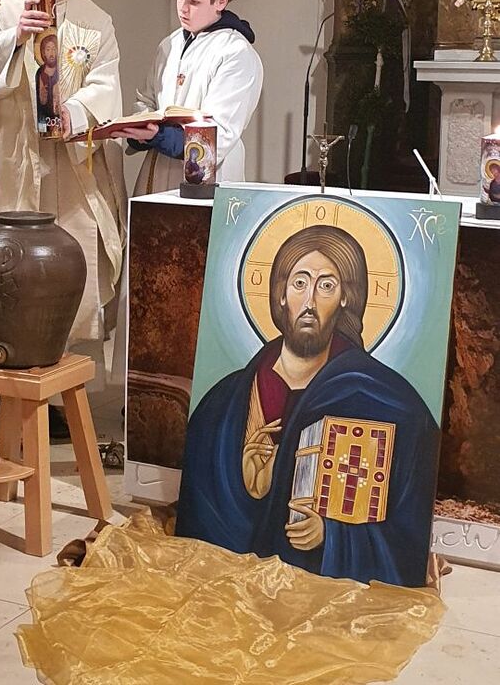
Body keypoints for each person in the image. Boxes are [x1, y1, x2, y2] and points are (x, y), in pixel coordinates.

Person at [176, 225, 440, 588]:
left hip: (326, 595)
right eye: (299, 283)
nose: (310, 302)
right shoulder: (223, 404)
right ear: (281, 293)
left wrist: (333, 536)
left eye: (327, 285)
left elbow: (407, 533)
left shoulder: (390, 402)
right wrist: (246, 488)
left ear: (346, 297)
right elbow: (202, 525)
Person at [0, 0, 127, 437]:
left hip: (68, 166)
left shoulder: (96, 22)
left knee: (64, 274)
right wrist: (14, 38)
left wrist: (73, 112)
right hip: (12, 158)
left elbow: (106, 83)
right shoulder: (5, 8)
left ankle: (54, 396)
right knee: (7, 272)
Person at [118, 0, 262, 195]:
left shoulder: (236, 52)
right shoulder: (169, 44)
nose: (183, 9)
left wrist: (160, 136)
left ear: (221, 1)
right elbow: (146, 100)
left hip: (208, 178)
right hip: (158, 167)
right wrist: (141, 127)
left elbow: (221, 132)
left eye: (194, 2)